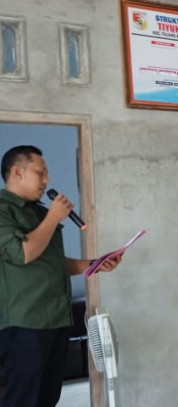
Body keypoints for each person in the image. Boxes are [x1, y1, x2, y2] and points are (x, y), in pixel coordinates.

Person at [0, 145, 123, 407]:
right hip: (25, 322)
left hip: (56, 318)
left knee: (48, 397)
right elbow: (22, 253)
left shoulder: (39, 212)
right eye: (40, 173)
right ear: (17, 172)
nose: (47, 180)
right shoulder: (3, 211)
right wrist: (54, 218)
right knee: (23, 399)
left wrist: (94, 264)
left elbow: (53, 263)